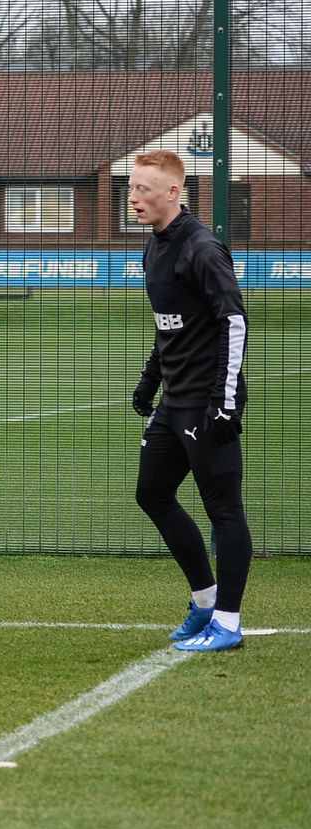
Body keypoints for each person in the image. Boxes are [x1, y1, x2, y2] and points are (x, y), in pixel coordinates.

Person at [126, 149, 251, 652]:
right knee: (151, 494)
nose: (133, 198)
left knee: (224, 510)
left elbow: (233, 321)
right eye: (131, 188)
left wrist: (224, 402)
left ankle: (228, 622)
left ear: (173, 193)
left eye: (143, 190)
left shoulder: (202, 247)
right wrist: (149, 380)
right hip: (174, 401)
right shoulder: (153, 248)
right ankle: (204, 603)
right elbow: (169, 326)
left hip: (207, 403)